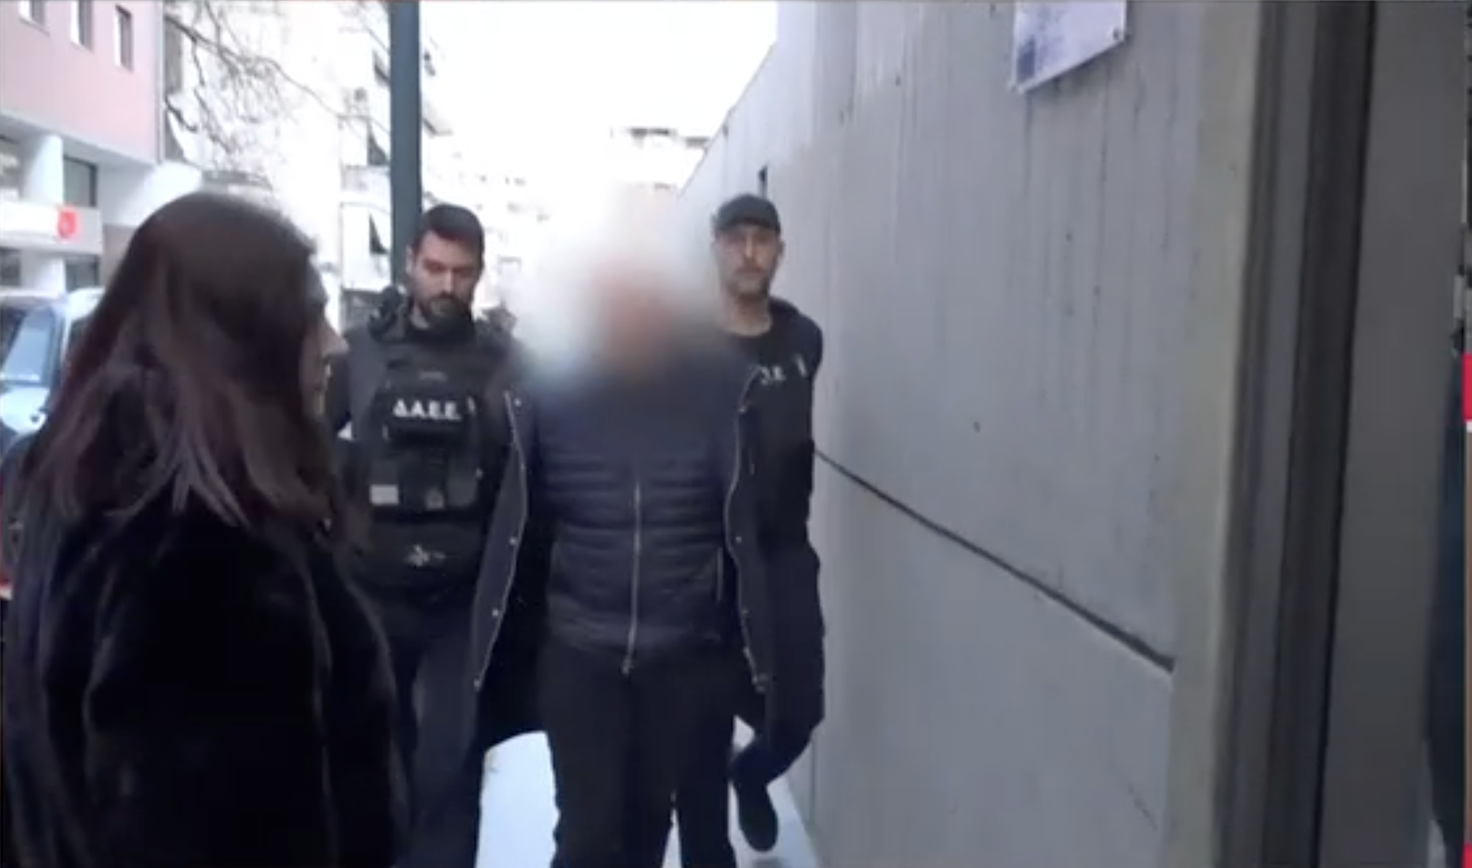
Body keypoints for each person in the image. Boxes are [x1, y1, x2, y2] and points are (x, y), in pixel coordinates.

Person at [0, 191, 401, 868]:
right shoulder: (207, 548)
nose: (333, 344)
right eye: (309, 315)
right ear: (238, 342)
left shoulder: (85, 483)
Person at [469, 224, 777, 868]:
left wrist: (748, 653)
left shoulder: (722, 393)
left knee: (645, 831)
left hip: (681, 658)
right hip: (581, 652)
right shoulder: (547, 394)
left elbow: (746, 532)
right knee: (586, 836)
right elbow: (523, 527)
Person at [324, 203, 518, 868]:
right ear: (410, 263)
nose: (446, 285)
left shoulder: (506, 363)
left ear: (479, 274)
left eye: (461, 273)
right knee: (369, 764)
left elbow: (531, 480)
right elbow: (303, 449)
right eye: (434, 268)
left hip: (459, 602)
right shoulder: (359, 352)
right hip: (370, 589)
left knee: (449, 770)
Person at [674, 193, 825, 864]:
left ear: (779, 252)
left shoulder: (803, 341)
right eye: (736, 238)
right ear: (716, 248)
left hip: (784, 554)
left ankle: (752, 773)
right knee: (698, 738)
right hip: (706, 561)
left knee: (797, 713)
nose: (749, 252)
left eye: (762, 240)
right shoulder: (683, 349)